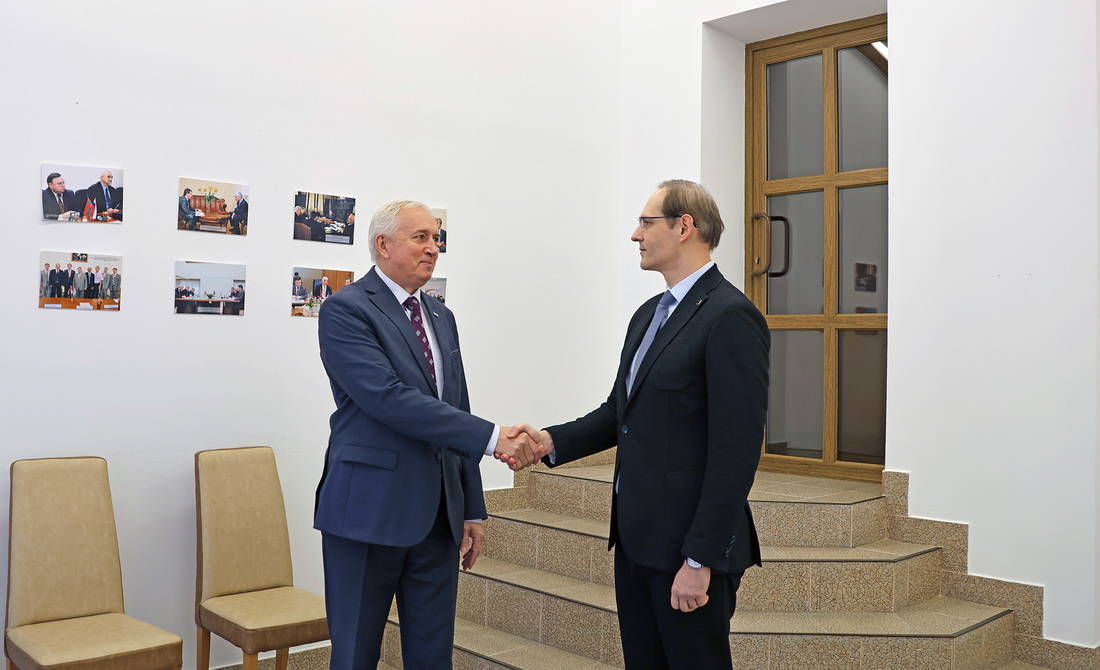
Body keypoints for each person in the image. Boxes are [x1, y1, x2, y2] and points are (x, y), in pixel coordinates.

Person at [511, 180, 770, 670]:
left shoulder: (731, 316)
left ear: (684, 226)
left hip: (687, 550)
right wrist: (548, 441)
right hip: (637, 542)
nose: (636, 235)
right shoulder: (648, 315)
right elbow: (619, 412)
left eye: (647, 223)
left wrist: (699, 560)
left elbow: (735, 454)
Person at [313, 199, 540, 670]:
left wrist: (471, 507)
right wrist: (495, 437)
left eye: (437, 238)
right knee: (355, 654)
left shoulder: (440, 316)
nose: (433, 248)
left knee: (433, 654)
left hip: (438, 517)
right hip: (368, 512)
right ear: (383, 244)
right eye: (421, 237)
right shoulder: (346, 309)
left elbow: (457, 408)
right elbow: (388, 398)